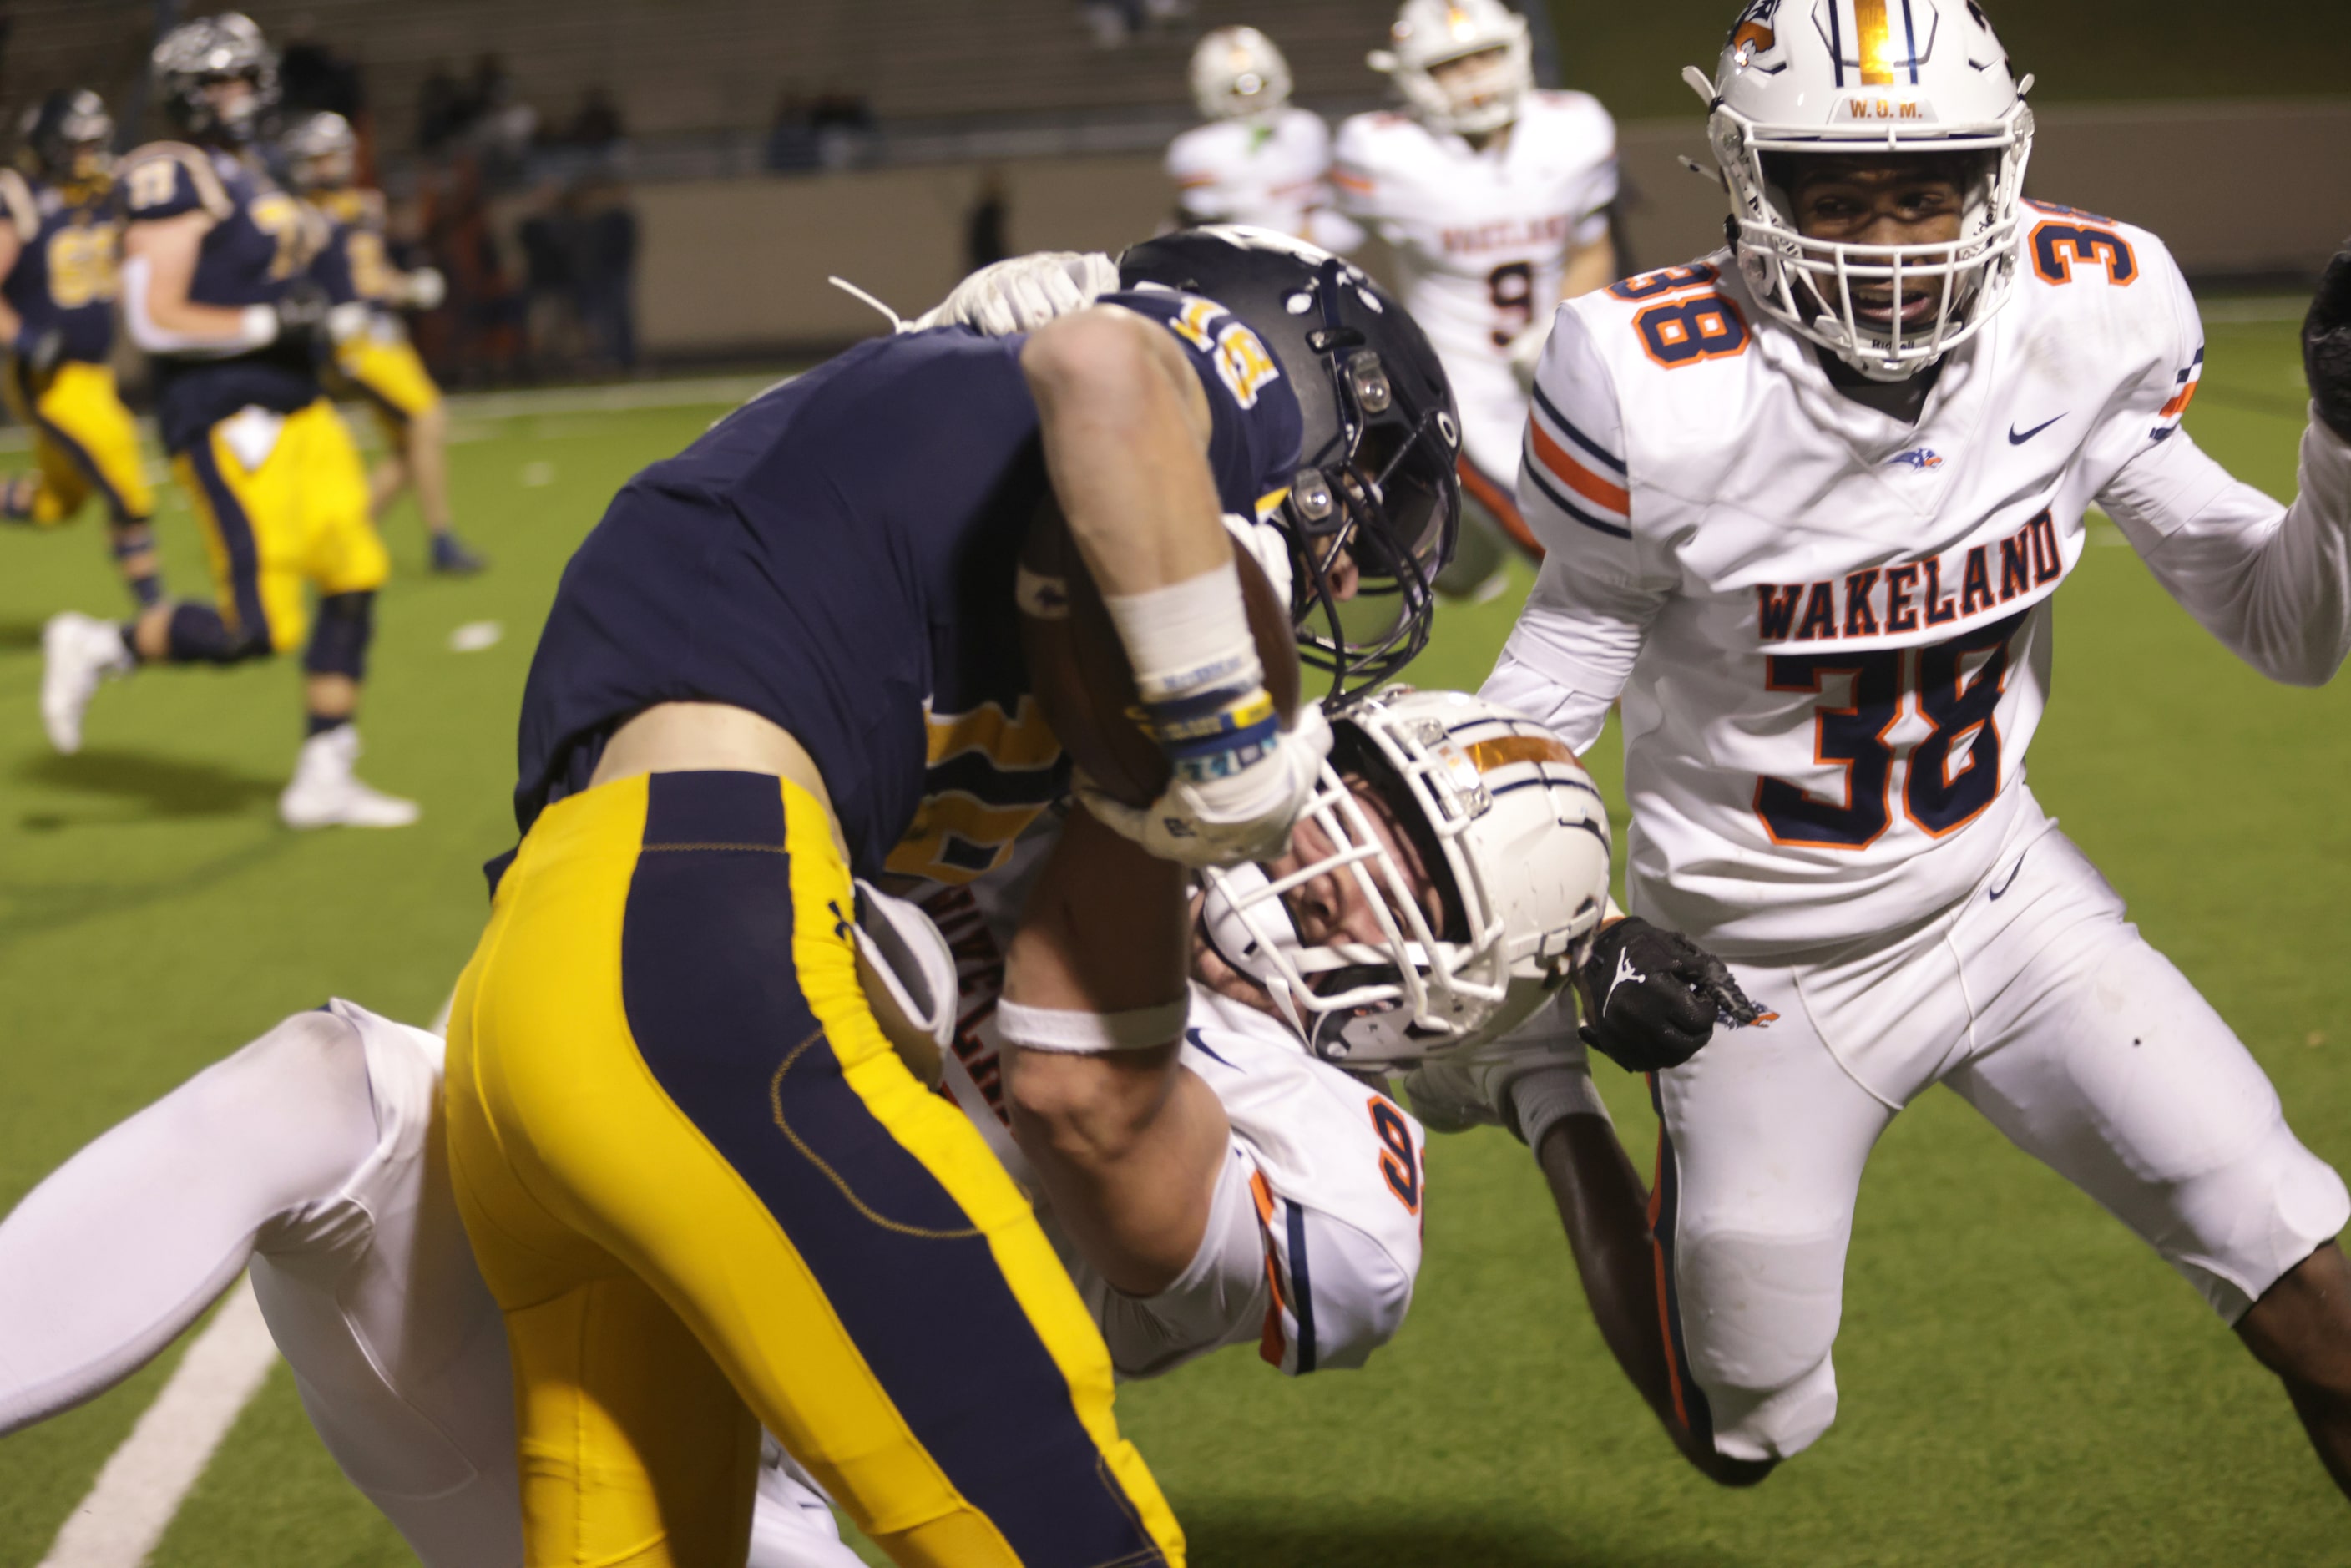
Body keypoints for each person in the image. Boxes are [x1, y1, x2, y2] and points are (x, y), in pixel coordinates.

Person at [0, 684, 1611, 1568]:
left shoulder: (1344, 1172)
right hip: (553, 1266)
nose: (1320, 858)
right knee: (323, 1082)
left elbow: (1089, 1122)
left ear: (1440, 999)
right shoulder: (1058, 811)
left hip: (727, 1474)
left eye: (1394, 875)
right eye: (1348, 801)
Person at [447, 226, 1458, 1565]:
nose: (1340, 574)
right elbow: (1104, 369)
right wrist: (1225, 738)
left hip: (545, 1001)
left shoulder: (887, 463)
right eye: (1349, 509)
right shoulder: (1151, 382)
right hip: (691, 975)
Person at [1479, 0, 2351, 1495]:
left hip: (2008, 904)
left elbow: (2289, 628)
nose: (1887, 238)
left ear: (1993, 175)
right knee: (1742, 1430)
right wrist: (1569, 946)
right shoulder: (1651, 381)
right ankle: (1537, 1092)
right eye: (1841, 195)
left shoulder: (2089, 312)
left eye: (1921, 188)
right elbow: (1532, 713)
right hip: (1754, 972)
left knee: (2321, 1296)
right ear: (1759, 192)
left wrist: (2341, 442)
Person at [42, 13, 416, 830]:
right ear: (185, 96)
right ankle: (103, 643)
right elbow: (157, 315)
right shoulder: (175, 170)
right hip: (228, 415)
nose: (234, 95)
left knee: (355, 578)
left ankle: (325, 772)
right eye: (215, 82)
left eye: (243, 77)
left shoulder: (258, 172)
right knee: (257, 628)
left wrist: (336, 318)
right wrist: (270, 326)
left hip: (302, 409)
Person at [1335, 0, 1619, 585]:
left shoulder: (1574, 129)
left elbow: (1593, 247)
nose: (1475, 77)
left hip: (1562, 364)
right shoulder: (1382, 152)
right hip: (1460, 385)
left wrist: (1558, 328)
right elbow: (1321, 244)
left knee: (1629, 529)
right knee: (1568, 554)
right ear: (1411, 77)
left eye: (1485, 55)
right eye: (1450, 66)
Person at [284, 111, 485, 575]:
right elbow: (291, 282)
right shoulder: (300, 216)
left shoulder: (363, 205)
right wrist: (320, 315)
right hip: (353, 342)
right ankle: (442, 540)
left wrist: (407, 287)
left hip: (384, 335)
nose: (327, 166)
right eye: (318, 157)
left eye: (334, 155)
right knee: (428, 418)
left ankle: (344, 538)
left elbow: (370, 277)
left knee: (410, 447)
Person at [0, 89, 166, 613]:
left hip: (94, 371)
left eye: (94, 143)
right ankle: (156, 614)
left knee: (58, 505)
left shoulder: (101, 192)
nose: (87, 154)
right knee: (126, 477)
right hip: (47, 376)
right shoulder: (19, 194)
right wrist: (24, 337)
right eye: (75, 144)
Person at [1164, 28, 1354, 250]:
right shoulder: (1197, 149)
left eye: (1261, 84)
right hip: (1239, 256)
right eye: (1236, 90)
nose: (1252, 98)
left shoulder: (1304, 127)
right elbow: (1199, 217)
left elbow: (1334, 206)